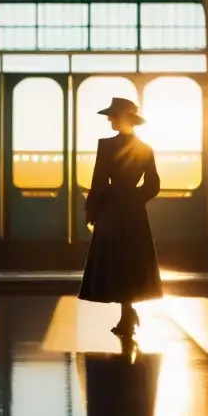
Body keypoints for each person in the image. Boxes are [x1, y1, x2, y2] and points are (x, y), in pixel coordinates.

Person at [78, 97, 163, 338]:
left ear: (123, 118)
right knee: (130, 261)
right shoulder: (145, 149)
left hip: (111, 209)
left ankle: (127, 315)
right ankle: (128, 314)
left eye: (112, 115)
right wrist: (135, 199)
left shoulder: (105, 146)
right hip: (134, 212)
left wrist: (92, 210)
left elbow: (99, 181)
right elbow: (153, 185)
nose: (108, 119)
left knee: (115, 260)